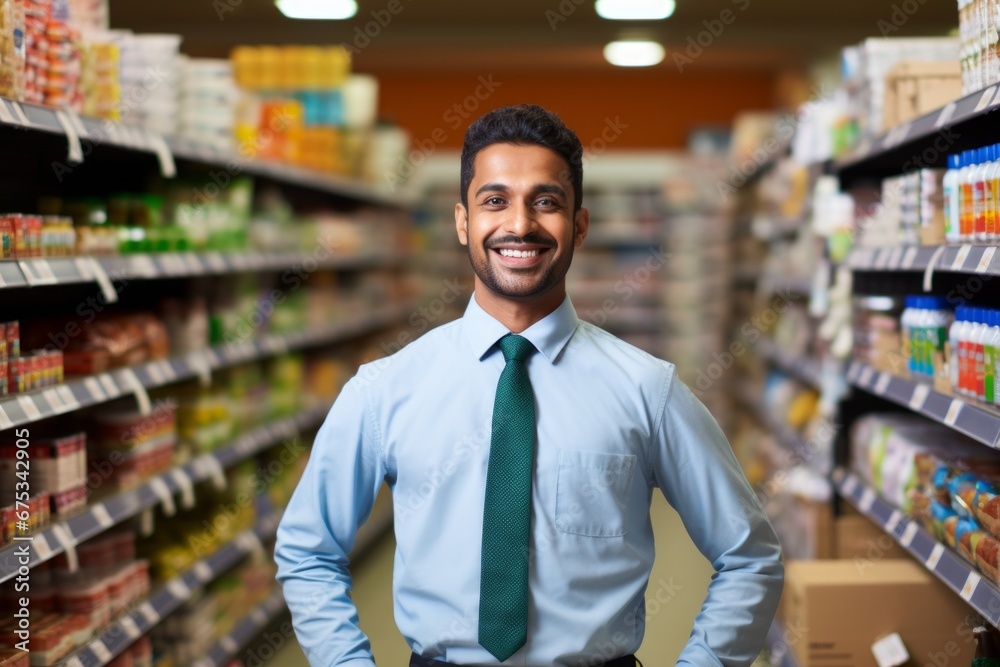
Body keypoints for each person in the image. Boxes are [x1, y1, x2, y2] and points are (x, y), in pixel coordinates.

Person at [274, 104, 783, 667]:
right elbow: (307, 549)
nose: (520, 225)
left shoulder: (647, 389)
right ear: (463, 221)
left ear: (579, 225)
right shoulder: (384, 390)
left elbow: (749, 556)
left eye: (546, 202)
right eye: (494, 201)